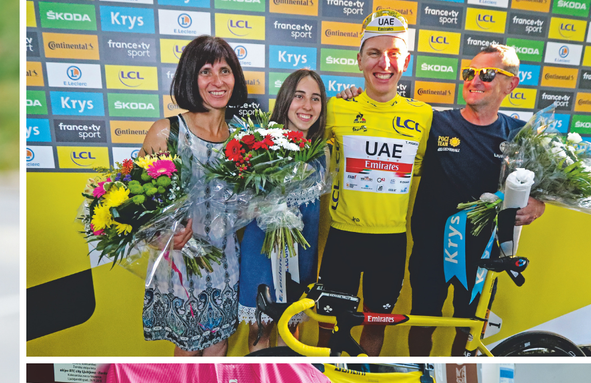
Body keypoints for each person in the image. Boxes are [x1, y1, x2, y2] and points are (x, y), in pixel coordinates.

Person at [407, 44, 546, 356]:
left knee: (469, 326)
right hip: (431, 249)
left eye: (487, 73)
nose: (475, 80)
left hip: (484, 253)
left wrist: (538, 204)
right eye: (470, 73)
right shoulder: (435, 123)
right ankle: (417, 379)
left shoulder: (520, 135)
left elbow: (538, 187)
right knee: (422, 321)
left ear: (511, 83)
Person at [317, 10, 432, 355]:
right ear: (359, 60)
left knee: (375, 322)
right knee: (328, 323)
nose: (385, 63)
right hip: (343, 237)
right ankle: (325, 380)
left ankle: (364, 379)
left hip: (392, 241)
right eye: (374, 53)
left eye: (394, 53)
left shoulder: (424, 116)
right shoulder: (335, 108)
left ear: (406, 61)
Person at [140, 35, 251, 357]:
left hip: (227, 262)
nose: (217, 81)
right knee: (187, 349)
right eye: (206, 71)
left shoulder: (244, 138)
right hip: (180, 262)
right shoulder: (166, 132)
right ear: (191, 77)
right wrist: (160, 236)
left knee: (219, 344)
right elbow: (136, 206)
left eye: (225, 71)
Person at [238, 68, 329, 352]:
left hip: (301, 252)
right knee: (260, 328)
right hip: (262, 251)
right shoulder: (261, 144)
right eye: (299, 96)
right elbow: (240, 204)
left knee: (291, 329)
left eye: (316, 99)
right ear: (286, 98)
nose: (307, 106)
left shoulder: (323, 151)